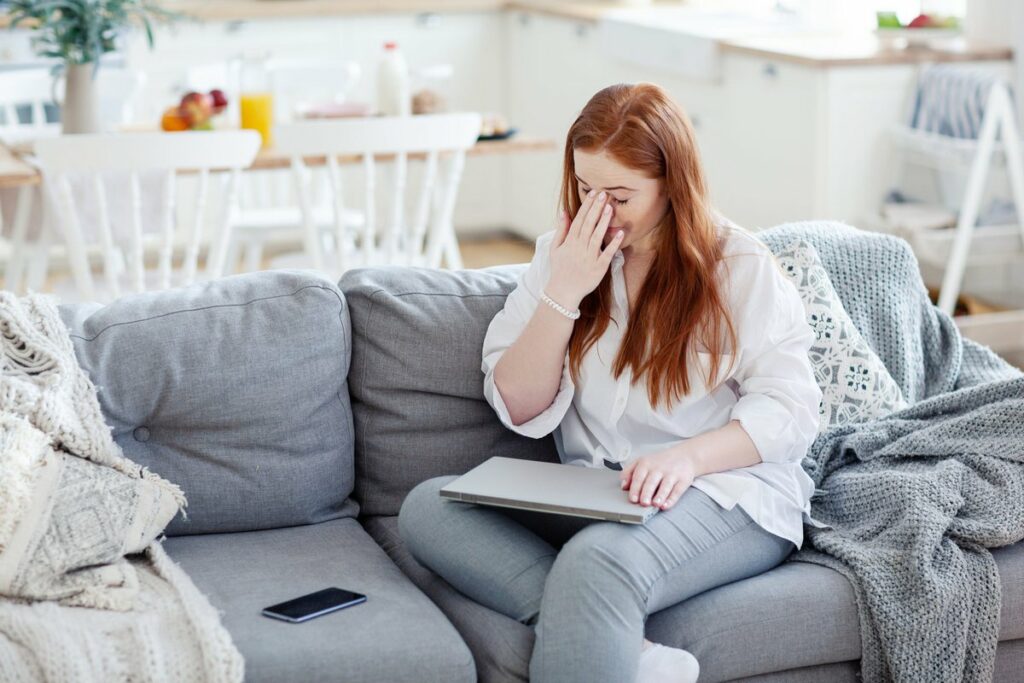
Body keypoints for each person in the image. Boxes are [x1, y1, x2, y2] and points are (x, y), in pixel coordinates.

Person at [398, 82, 823, 683]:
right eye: (585, 188)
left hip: (726, 493)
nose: (599, 210)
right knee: (428, 507)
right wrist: (565, 291)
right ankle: (635, 653)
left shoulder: (739, 266)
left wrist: (686, 460)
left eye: (620, 196)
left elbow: (791, 411)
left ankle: (595, 619)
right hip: (600, 496)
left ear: (672, 187)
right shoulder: (560, 257)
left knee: (598, 561)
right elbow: (518, 403)